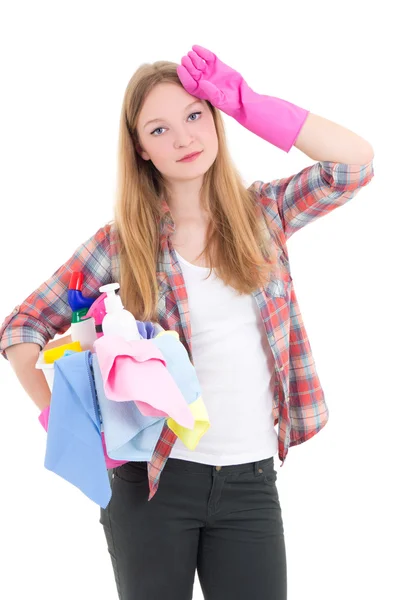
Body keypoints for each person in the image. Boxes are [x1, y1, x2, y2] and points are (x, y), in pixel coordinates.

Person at [0, 45, 374, 600]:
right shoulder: (123, 241)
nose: (183, 139)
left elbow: (354, 166)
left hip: (250, 482)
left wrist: (248, 103)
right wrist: (64, 417)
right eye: (159, 129)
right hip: (152, 484)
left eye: (195, 116)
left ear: (217, 120)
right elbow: (22, 327)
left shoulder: (264, 215)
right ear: (141, 150)